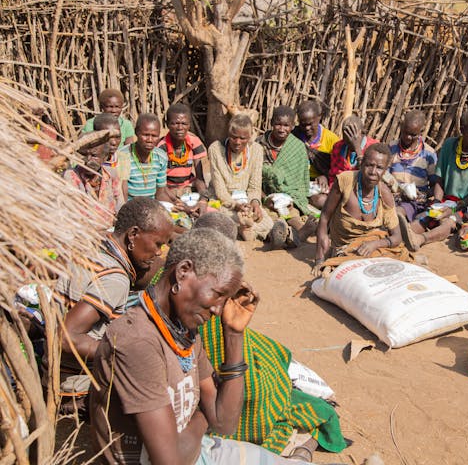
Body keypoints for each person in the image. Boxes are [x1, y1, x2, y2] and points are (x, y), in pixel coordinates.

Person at [89, 229, 303, 464]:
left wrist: (233, 333)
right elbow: (169, 459)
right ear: (183, 272)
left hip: (198, 450)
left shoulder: (183, 332)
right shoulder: (138, 342)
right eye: (218, 294)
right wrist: (202, 417)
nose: (218, 310)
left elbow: (224, 422)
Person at [193, 213, 346, 461]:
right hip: (221, 411)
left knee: (273, 353)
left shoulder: (170, 282)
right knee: (285, 391)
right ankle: (302, 452)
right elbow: (247, 394)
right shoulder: (208, 306)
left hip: (212, 384)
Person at [57, 198, 173, 402]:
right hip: (72, 380)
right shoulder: (115, 278)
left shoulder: (94, 245)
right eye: (157, 244)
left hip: (51, 366)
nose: (158, 252)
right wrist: (121, 353)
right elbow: (66, 338)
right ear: (133, 234)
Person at [399, 110, 468, 251]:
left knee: (449, 222)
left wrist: (455, 208)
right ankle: (400, 236)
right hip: (446, 199)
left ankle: (421, 239)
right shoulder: (450, 145)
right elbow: (439, 178)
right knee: (427, 217)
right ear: (462, 130)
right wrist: (437, 202)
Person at [315, 144, 406, 274]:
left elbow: (397, 237)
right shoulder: (345, 181)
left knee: (393, 261)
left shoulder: (384, 194)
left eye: (379, 168)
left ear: (385, 171)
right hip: (344, 248)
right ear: (362, 163)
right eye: (369, 165)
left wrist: (375, 244)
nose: (373, 172)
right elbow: (325, 216)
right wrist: (319, 259)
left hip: (373, 247)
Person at [208, 114, 274, 242]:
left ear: (250, 137)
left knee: (266, 221)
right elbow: (220, 190)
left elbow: (254, 186)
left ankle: (246, 230)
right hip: (224, 201)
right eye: (234, 137)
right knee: (224, 217)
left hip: (246, 201)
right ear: (228, 133)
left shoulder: (256, 150)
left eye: (243, 138)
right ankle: (247, 230)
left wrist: (255, 204)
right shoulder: (215, 149)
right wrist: (236, 205)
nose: (238, 142)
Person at [258, 106, 315, 248]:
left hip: (288, 195)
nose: (281, 129)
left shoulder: (297, 147)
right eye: (278, 124)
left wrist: (290, 199)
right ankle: (286, 235)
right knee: (265, 214)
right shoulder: (259, 145)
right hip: (262, 193)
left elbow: (300, 182)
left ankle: (298, 231)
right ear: (271, 123)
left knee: (290, 210)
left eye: (286, 125)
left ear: (292, 126)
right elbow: (252, 176)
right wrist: (266, 198)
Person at [157, 103, 208, 214]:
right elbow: (160, 184)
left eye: (184, 123)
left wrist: (203, 200)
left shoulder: (194, 142)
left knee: (208, 211)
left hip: (188, 189)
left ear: (189, 125)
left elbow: (199, 178)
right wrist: (176, 202)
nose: (180, 128)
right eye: (175, 123)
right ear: (167, 124)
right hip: (167, 192)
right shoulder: (161, 147)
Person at [388, 110, 438, 222]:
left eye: (413, 135)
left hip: (415, 201)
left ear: (421, 131)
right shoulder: (391, 148)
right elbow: (384, 176)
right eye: (405, 132)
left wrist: (421, 195)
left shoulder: (429, 154)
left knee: (399, 211)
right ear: (401, 127)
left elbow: (436, 185)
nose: (407, 137)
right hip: (391, 197)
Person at [61, 139, 124, 226]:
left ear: (105, 157)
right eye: (84, 155)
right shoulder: (71, 176)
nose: (88, 160)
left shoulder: (111, 175)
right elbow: (72, 215)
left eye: (94, 156)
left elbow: (120, 208)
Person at [116, 113, 173, 202]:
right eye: (145, 135)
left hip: (151, 205)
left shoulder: (161, 157)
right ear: (136, 132)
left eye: (154, 136)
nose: (150, 140)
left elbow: (160, 192)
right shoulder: (124, 155)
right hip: (130, 205)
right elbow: (122, 191)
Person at [294, 100, 340, 209]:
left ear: (319, 118)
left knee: (322, 201)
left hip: (320, 185)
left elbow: (338, 169)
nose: (306, 128)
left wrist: (326, 176)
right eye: (303, 124)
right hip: (297, 182)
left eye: (310, 124)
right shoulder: (294, 136)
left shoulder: (332, 140)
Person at [328, 115, 378, 186]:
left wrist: (357, 148)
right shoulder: (338, 147)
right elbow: (333, 176)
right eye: (346, 137)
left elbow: (368, 177)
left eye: (353, 135)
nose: (350, 140)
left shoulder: (374, 148)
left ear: (363, 133)